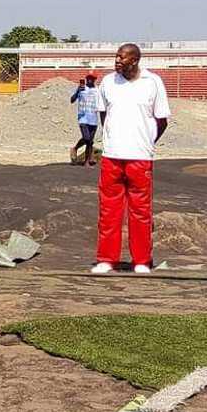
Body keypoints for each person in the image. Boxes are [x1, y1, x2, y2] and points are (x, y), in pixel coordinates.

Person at [92, 43, 170, 275]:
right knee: (109, 210)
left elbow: (162, 120)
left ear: (135, 60)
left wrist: (146, 141)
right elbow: (104, 114)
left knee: (140, 210)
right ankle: (107, 259)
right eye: (116, 56)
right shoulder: (108, 82)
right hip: (112, 156)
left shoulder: (152, 82)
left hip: (140, 156)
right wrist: (112, 138)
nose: (117, 61)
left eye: (122, 57)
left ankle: (141, 261)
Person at [70, 74, 100, 166]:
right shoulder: (81, 89)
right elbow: (72, 100)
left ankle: (87, 161)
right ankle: (75, 148)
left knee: (90, 142)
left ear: (95, 79)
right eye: (88, 78)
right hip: (83, 117)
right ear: (86, 79)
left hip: (93, 118)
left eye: (92, 78)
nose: (90, 80)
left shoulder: (97, 90)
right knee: (87, 138)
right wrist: (77, 92)